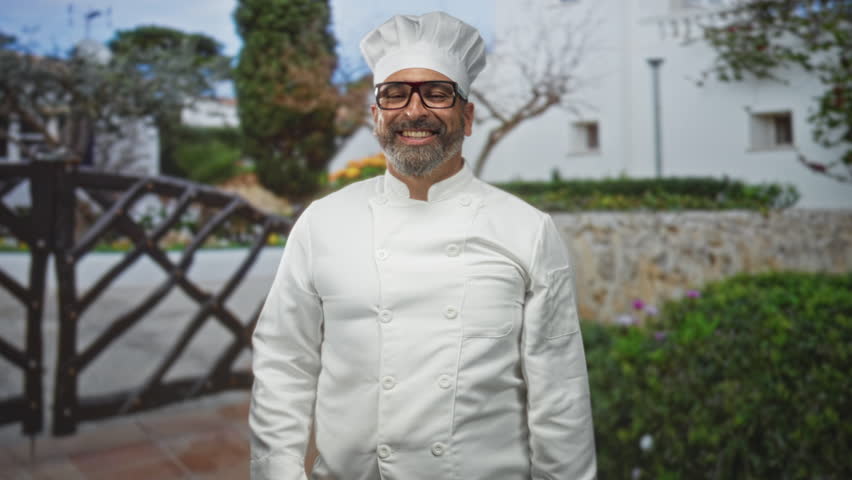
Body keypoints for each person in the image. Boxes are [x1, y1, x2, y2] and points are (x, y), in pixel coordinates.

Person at [249, 11, 596, 480]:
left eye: (437, 93)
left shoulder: (527, 231)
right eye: (395, 94)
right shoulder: (322, 224)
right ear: (376, 115)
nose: (414, 111)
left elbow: (560, 393)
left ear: (467, 117)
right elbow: (283, 361)